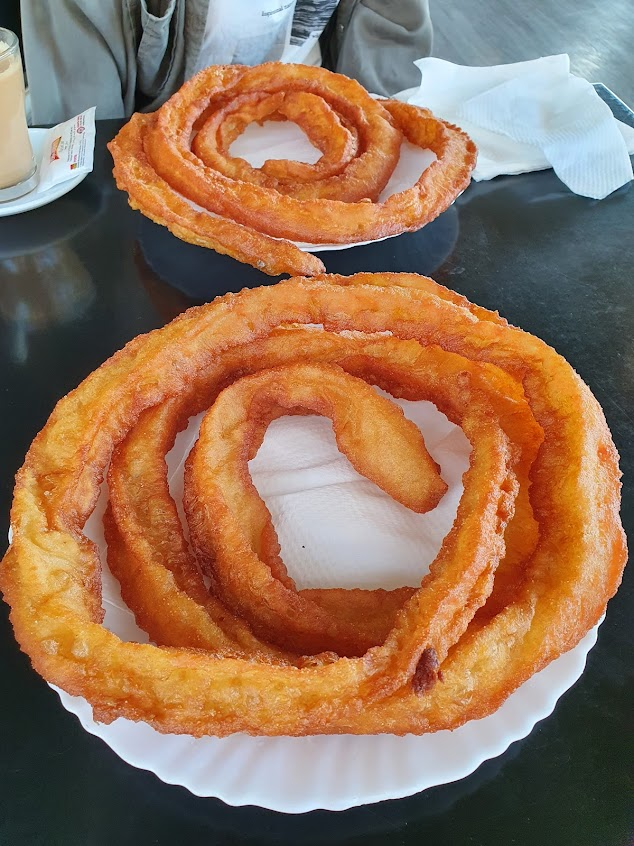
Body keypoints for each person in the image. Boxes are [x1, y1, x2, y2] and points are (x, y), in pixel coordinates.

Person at [18, 0, 432, 124]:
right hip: (147, 128)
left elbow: (391, 36)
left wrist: (375, 124)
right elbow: (85, 132)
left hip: (311, 118)